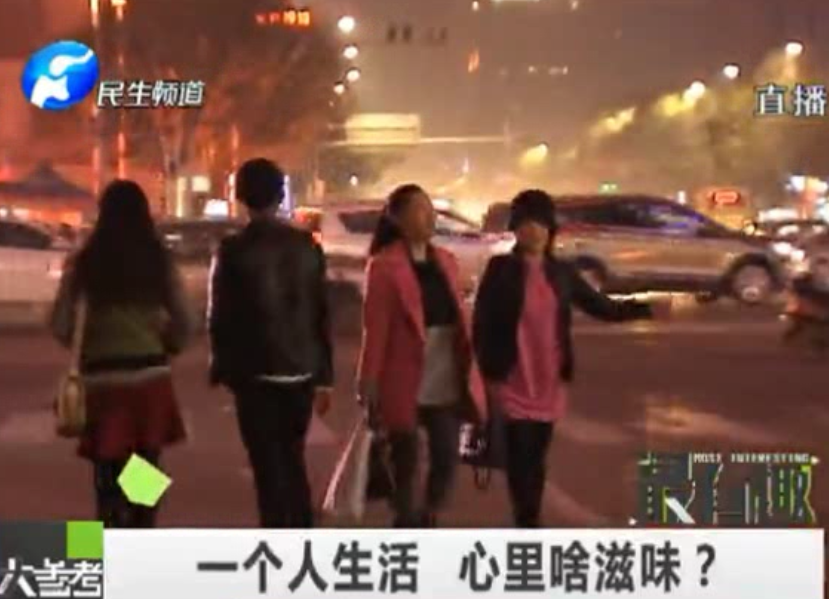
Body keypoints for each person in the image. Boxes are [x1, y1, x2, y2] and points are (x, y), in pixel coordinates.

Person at [473, 189, 668, 528]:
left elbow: (601, 306)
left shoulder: (561, 272)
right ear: (515, 228)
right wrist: (484, 375)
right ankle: (527, 523)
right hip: (511, 380)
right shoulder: (500, 269)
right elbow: (482, 322)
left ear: (550, 229)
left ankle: (528, 520)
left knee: (536, 457)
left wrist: (644, 308)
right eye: (525, 223)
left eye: (540, 223)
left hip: (548, 382)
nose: (533, 230)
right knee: (520, 458)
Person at [50, 180, 192, 528]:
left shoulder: (85, 263)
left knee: (107, 469)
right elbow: (184, 320)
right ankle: (142, 532)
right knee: (145, 463)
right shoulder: (158, 261)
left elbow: (61, 323)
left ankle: (104, 537)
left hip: (102, 379)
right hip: (149, 377)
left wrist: (87, 343)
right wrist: (169, 344)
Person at [208, 158, 333, 528]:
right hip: (301, 369)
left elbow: (220, 316)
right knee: (293, 456)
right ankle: (302, 528)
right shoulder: (306, 246)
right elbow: (320, 312)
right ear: (280, 196)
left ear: (241, 196)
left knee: (267, 465)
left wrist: (222, 367)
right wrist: (324, 375)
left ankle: (277, 534)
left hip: (254, 372)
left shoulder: (232, 250)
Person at [357, 184, 487, 528]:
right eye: (419, 209)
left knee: (446, 454)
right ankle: (407, 521)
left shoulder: (447, 261)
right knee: (406, 459)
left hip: (446, 373)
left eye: (430, 209)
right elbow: (376, 329)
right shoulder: (383, 266)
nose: (429, 217)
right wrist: (368, 381)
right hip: (403, 377)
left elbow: (460, 317)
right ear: (398, 219)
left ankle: (429, 513)